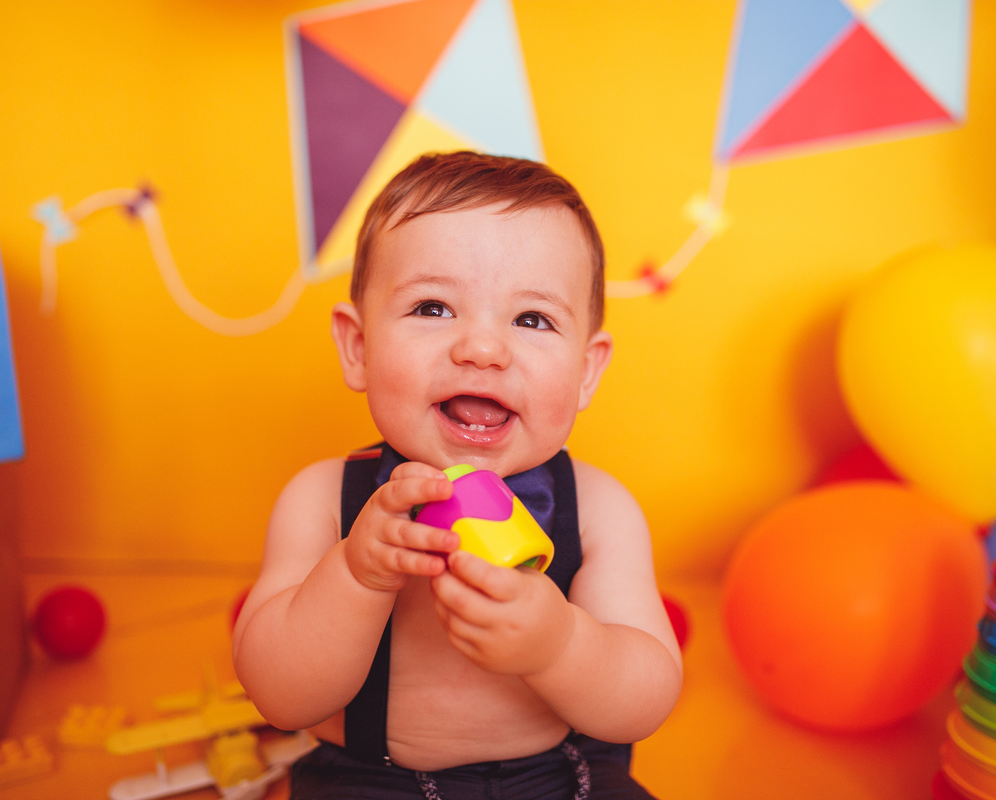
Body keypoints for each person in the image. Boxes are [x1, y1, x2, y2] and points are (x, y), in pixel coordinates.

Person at [233, 152, 682, 799]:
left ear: (587, 371)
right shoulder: (325, 500)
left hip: (558, 778)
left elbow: (645, 699)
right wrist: (357, 574)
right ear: (357, 347)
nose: (482, 348)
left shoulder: (598, 509)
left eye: (532, 319)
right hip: (370, 781)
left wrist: (560, 648)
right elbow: (279, 697)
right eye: (433, 308)